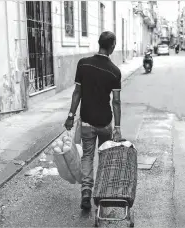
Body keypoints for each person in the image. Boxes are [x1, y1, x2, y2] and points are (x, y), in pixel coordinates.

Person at [64, 31, 122, 210]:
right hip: (105, 123)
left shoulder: (83, 64)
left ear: (99, 43)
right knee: (104, 156)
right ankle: (102, 192)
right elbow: (116, 101)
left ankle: (87, 191)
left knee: (87, 156)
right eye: (114, 45)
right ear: (112, 46)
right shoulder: (114, 71)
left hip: (87, 121)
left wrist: (71, 115)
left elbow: (77, 93)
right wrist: (117, 127)